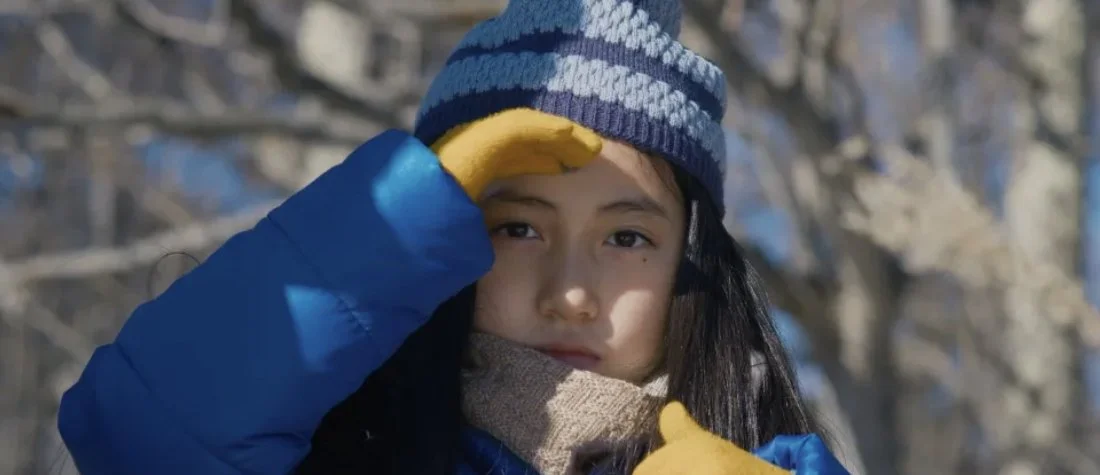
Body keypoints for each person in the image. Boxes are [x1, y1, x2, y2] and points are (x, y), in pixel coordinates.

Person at [57, 0, 851, 474]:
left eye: (626, 238)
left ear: (692, 259)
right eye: (517, 226)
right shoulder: (336, 450)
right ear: (439, 243)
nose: (571, 294)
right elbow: (139, 433)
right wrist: (395, 215)